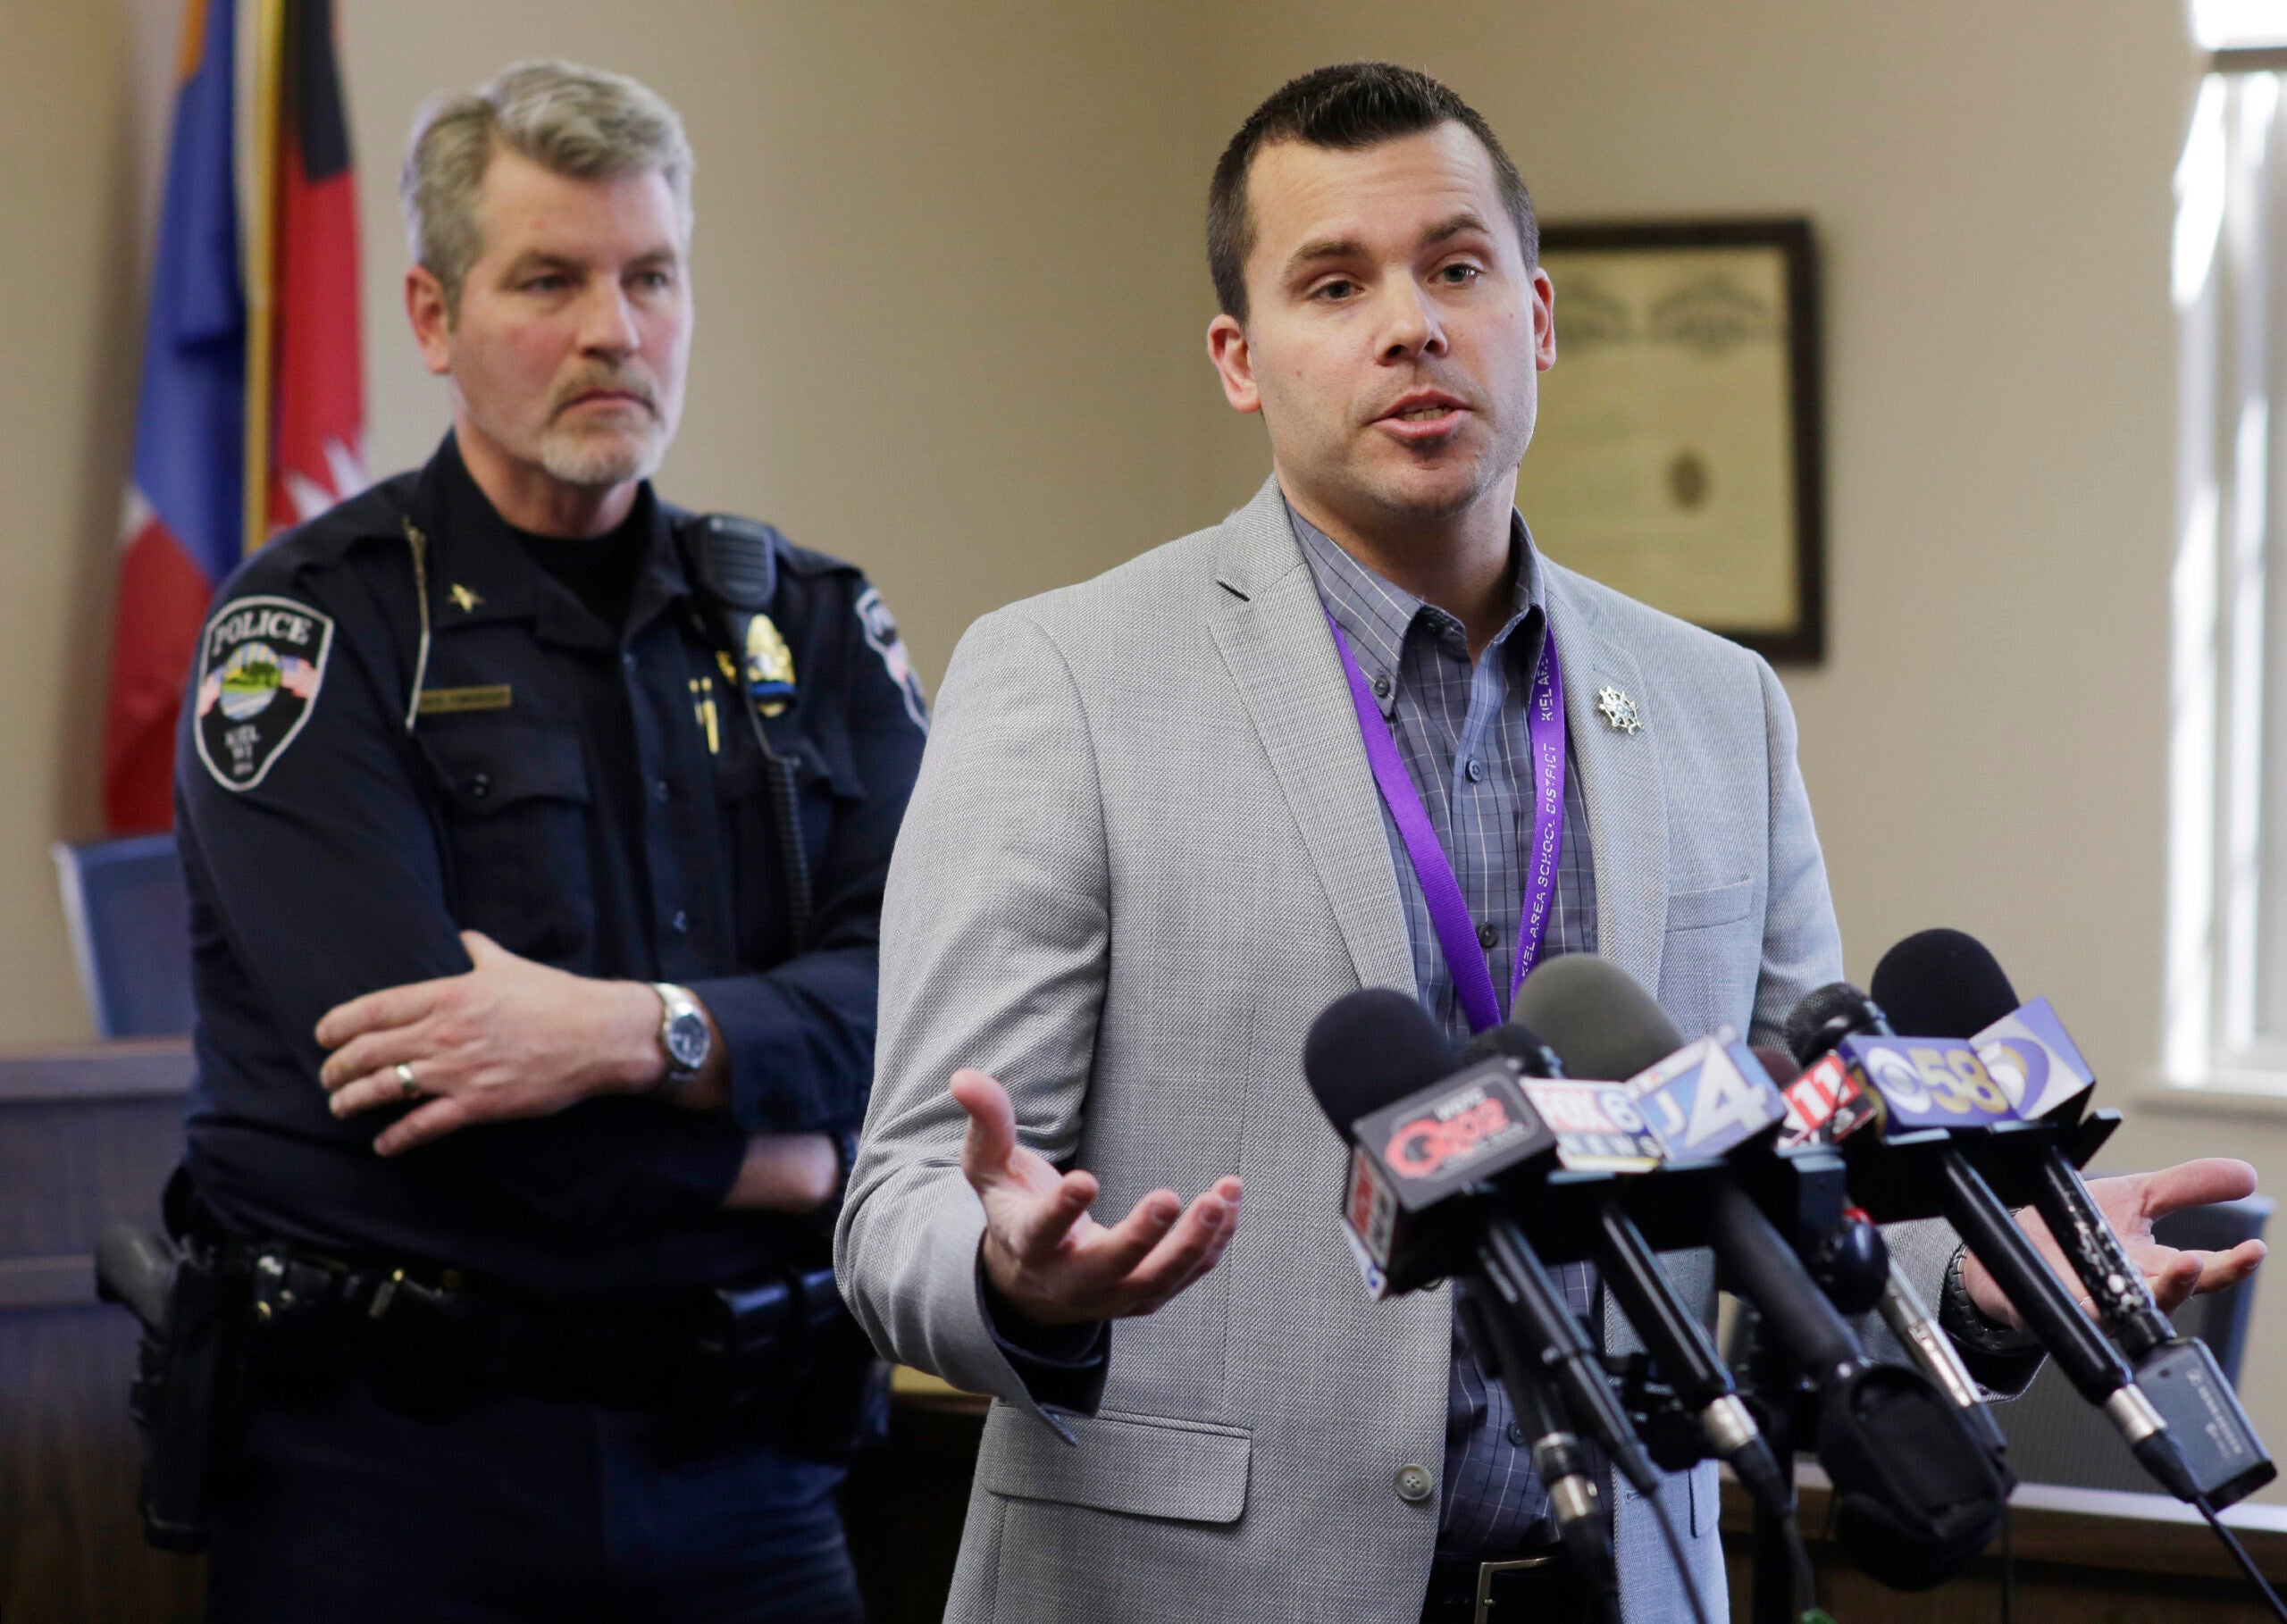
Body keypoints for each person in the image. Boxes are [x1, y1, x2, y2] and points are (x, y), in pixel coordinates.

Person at [835, 62, 2265, 1624]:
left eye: (1457, 267)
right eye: (1335, 281)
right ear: (1240, 361)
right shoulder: (1066, 677)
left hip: (1626, 1582)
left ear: (1540, 314)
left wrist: (1985, 1275)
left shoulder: (1720, 707)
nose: (1413, 324)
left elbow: (1799, 1181)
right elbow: (904, 1195)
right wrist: (1014, 1278)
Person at [172, 61, 926, 1623]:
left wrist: (634, 1032)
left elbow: (939, 1001)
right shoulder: (307, 630)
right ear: (434, 318)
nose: (614, 330)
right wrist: (819, 1160)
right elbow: (423, 1086)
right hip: (397, 1475)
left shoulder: (807, 620)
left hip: (751, 1464)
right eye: (550, 279)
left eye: (651, 276)